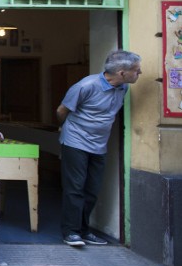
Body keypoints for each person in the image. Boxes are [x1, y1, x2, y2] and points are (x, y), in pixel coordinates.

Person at [56, 49, 141, 248]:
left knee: (92, 190)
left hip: (98, 145)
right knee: (75, 188)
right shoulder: (85, 86)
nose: (140, 74)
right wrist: (67, 127)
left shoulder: (123, 88)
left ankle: (84, 230)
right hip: (75, 141)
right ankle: (71, 232)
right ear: (122, 72)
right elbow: (61, 111)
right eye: (136, 71)